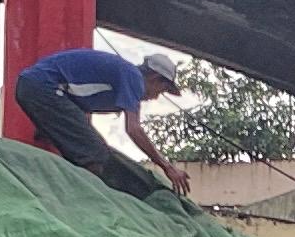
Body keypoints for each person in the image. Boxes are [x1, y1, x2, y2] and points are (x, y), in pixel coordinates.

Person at [13, 45, 192, 201]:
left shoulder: (119, 80)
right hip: (44, 88)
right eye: (161, 90)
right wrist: (167, 167)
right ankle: (80, 204)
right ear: (154, 78)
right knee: (95, 153)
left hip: (35, 88)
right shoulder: (134, 78)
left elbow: (77, 112)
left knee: (89, 147)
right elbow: (133, 129)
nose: (155, 97)